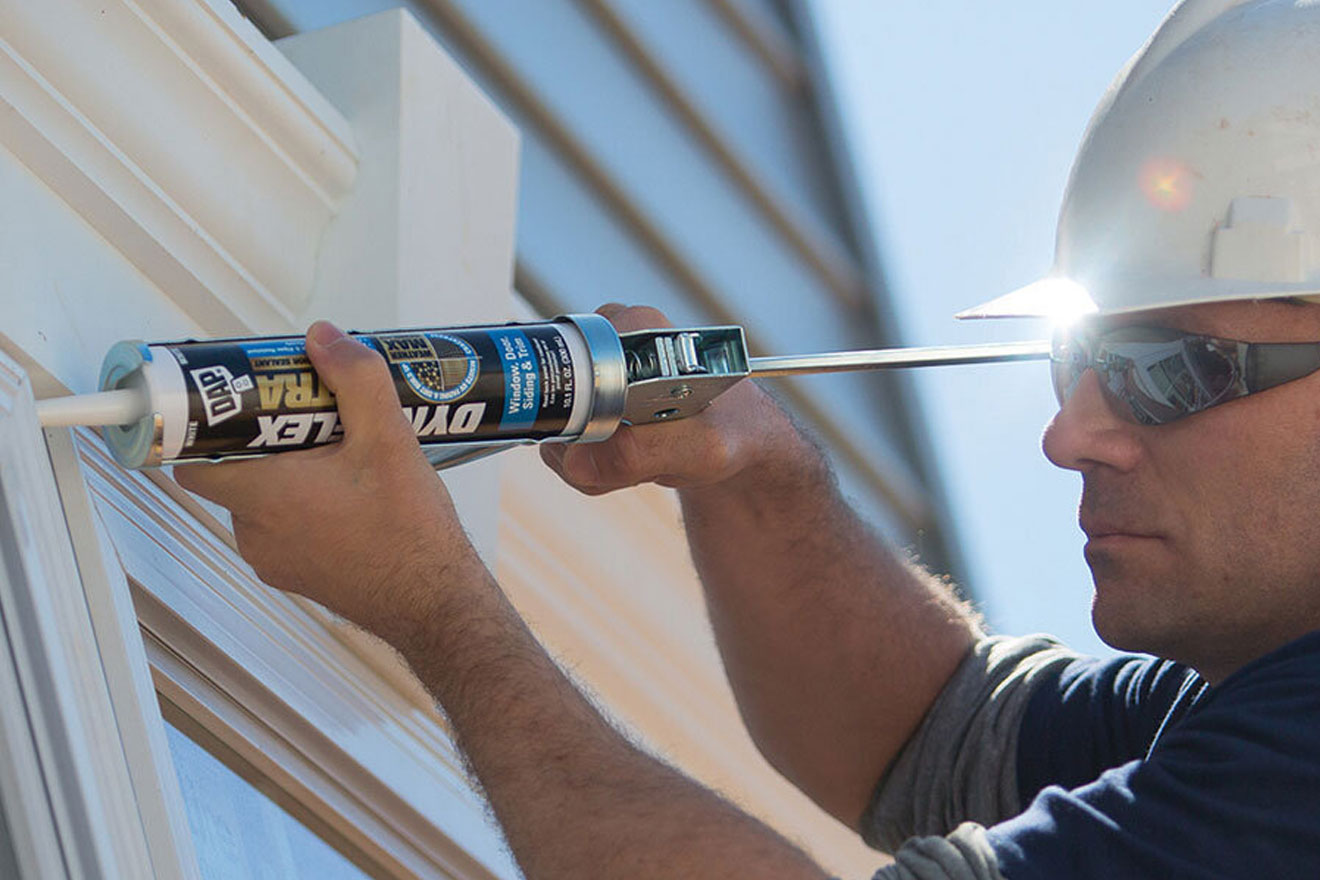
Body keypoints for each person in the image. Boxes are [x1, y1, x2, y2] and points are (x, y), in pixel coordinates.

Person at [175, 1, 1320, 877]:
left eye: (1169, 371)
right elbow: (927, 731)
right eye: (1076, 365)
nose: (1069, 438)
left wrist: (440, 612)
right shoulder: (1234, 724)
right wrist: (759, 475)